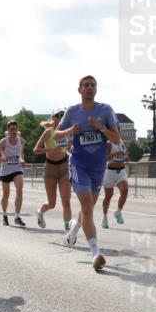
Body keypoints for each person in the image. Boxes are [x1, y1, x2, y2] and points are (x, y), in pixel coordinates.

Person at [56, 75, 121, 271]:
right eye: (86, 85)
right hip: (78, 163)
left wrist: (101, 127)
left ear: (96, 89)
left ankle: (74, 231)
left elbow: (117, 137)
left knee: (89, 208)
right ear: (80, 90)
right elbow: (56, 134)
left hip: (98, 166)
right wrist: (70, 130)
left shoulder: (106, 110)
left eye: (93, 85)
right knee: (86, 204)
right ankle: (95, 253)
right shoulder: (72, 111)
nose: (90, 88)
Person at [33, 110, 73, 231]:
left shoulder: (66, 133)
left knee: (66, 201)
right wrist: (49, 150)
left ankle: (68, 232)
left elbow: (69, 149)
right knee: (52, 203)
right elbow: (35, 150)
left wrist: (68, 153)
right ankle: (40, 211)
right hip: (50, 169)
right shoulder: (48, 132)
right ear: (53, 118)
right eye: (58, 115)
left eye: (63, 115)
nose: (61, 117)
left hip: (64, 168)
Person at [0, 121, 26, 227]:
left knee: (20, 189)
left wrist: (22, 160)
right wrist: (2, 159)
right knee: (6, 195)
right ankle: (5, 215)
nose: (14, 132)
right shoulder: (3, 141)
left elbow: (20, 154)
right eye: (11, 130)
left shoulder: (21, 141)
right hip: (6, 170)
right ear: (8, 130)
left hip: (17, 169)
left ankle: (17, 216)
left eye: (15, 129)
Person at [100, 138, 129, 229]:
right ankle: (104, 218)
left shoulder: (122, 142)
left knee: (124, 191)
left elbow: (124, 155)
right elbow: (105, 158)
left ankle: (118, 212)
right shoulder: (109, 143)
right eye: (116, 129)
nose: (118, 131)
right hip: (110, 172)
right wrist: (116, 154)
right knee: (108, 196)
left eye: (119, 129)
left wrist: (126, 157)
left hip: (121, 171)